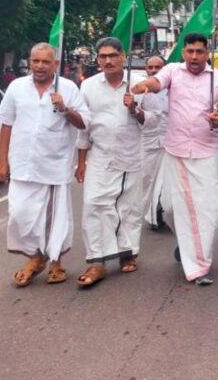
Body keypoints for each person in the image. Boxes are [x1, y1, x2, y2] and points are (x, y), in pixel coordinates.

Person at [131, 33, 218, 286]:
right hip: (176, 150)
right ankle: (186, 242)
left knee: (210, 212)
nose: (194, 56)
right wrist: (145, 85)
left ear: (207, 53)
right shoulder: (173, 71)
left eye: (199, 52)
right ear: (184, 52)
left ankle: (199, 265)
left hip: (206, 151)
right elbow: (157, 81)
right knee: (170, 208)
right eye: (190, 51)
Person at [0, 42, 89, 287]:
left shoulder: (68, 88)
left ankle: (54, 262)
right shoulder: (17, 87)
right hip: (22, 164)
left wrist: (65, 109)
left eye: (45, 61)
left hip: (54, 164)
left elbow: (83, 123)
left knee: (53, 219)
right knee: (19, 215)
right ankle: (36, 258)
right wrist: (2, 161)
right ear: (29, 62)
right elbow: (6, 124)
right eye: (35, 61)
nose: (39, 66)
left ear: (55, 64)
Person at [76, 37, 157, 287]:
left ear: (123, 57)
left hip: (131, 155)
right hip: (99, 156)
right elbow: (84, 127)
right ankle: (96, 261)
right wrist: (81, 162)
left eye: (113, 55)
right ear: (98, 60)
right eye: (103, 56)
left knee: (128, 208)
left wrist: (135, 110)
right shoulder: (88, 86)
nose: (108, 61)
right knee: (93, 204)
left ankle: (127, 252)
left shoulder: (139, 85)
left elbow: (154, 120)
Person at [140, 55, 169, 231]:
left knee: (166, 182)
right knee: (147, 180)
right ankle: (150, 214)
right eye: (150, 67)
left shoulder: (172, 88)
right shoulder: (139, 89)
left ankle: (159, 213)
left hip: (169, 141)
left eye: (157, 67)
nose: (153, 70)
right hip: (147, 142)